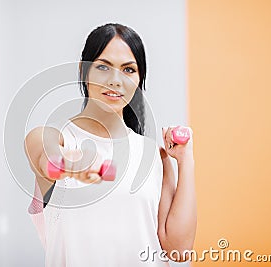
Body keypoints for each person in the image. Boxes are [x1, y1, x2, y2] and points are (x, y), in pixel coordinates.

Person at [24, 23, 196, 266]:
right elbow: (46, 155)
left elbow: (179, 250)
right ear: (84, 72)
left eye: (128, 69)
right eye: (103, 67)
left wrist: (186, 160)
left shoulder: (153, 155)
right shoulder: (57, 137)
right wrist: (68, 164)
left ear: (139, 80)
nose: (115, 80)